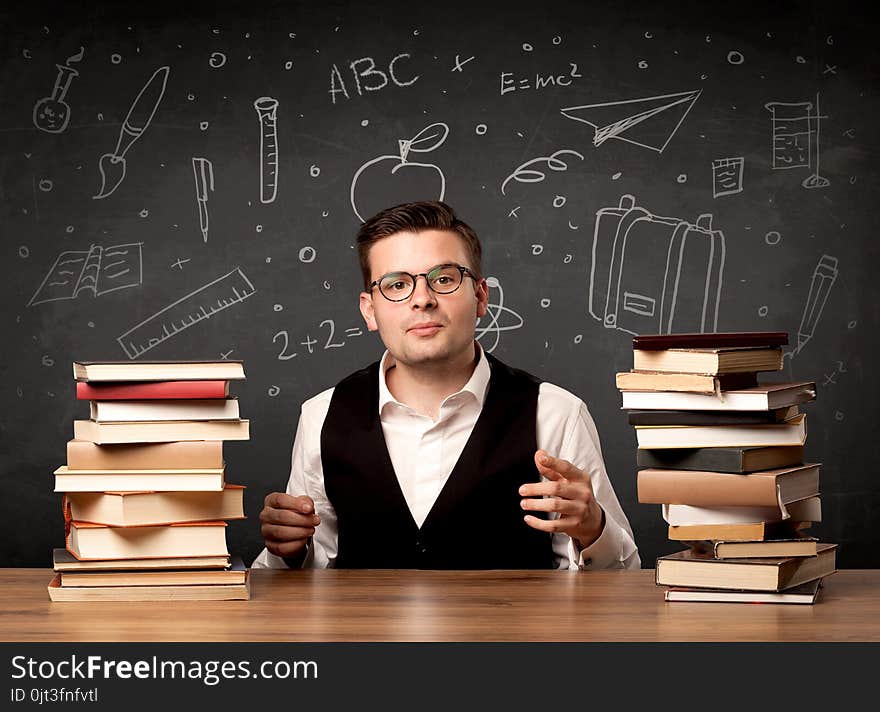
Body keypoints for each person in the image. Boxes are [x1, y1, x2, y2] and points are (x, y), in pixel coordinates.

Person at [252, 201, 639, 570]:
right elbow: (311, 568)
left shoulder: (556, 414)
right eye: (397, 284)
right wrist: (289, 550)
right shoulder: (322, 416)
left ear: (480, 296)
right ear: (370, 310)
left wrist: (592, 529)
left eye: (444, 279)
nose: (422, 299)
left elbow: (623, 577)